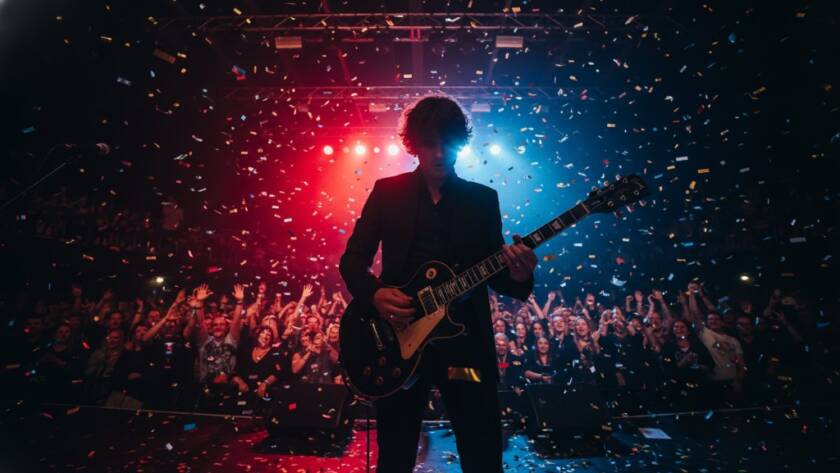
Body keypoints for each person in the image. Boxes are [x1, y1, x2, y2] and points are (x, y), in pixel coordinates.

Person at [339, 95, 536, 473]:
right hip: (397, 341)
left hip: (466, 346)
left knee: (482, 454)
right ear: (414, 144)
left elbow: (497, 275)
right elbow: (352, 261)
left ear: (461, 142)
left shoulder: (482, 200)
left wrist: (520, 274)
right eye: (430, 143)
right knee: (395, 457)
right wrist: (375, 293)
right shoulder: (387, 192)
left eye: (448, 143)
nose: (440, 153)